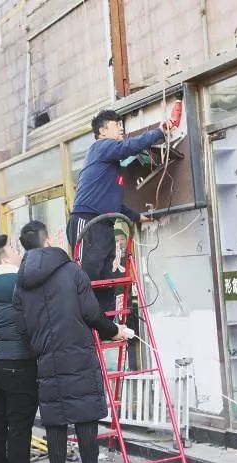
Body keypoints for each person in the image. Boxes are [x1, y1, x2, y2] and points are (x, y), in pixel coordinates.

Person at [13, 221, 126, 463]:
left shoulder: (21, 284)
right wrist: (114, 331)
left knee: (55, 424)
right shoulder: (72, 272)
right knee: (85, 419)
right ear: (47, 240)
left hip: (46, 360)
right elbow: (91, 313)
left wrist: (40, 349)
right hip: (78, 356)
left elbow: (22, 328)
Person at [68, 110, 172, 312]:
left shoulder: (110, 166)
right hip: (87, 222)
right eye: (116, 125)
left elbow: (115, 204)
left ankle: (107, 324)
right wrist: (159, 132)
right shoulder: (100, 147)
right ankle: (86, 325)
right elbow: (127, 147)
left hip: (105, 224)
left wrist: (138, 217)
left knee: (107, 279)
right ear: (102, 131)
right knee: (87, 278)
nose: (121, 128)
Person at [0, 235, 54, 463]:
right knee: (20, 425)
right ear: (3, 257)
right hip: (20, 363)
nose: (16, 251)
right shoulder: (23, 283)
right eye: (11, 248)